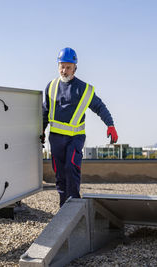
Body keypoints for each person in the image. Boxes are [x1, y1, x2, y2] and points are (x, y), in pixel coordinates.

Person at [42, 47, 118, 207]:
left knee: (71, 167)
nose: (64, 70)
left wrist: (110, 124)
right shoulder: (51, 86)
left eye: (68, 67)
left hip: (75, 138)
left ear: (75, 68)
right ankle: (64, 207)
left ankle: (75, 205)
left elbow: (100, 107)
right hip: (55, 139)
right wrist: (40, 129)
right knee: (60, 173)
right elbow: (45, 110)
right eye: (62, 66)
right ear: (58, 66)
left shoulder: (83, 89)